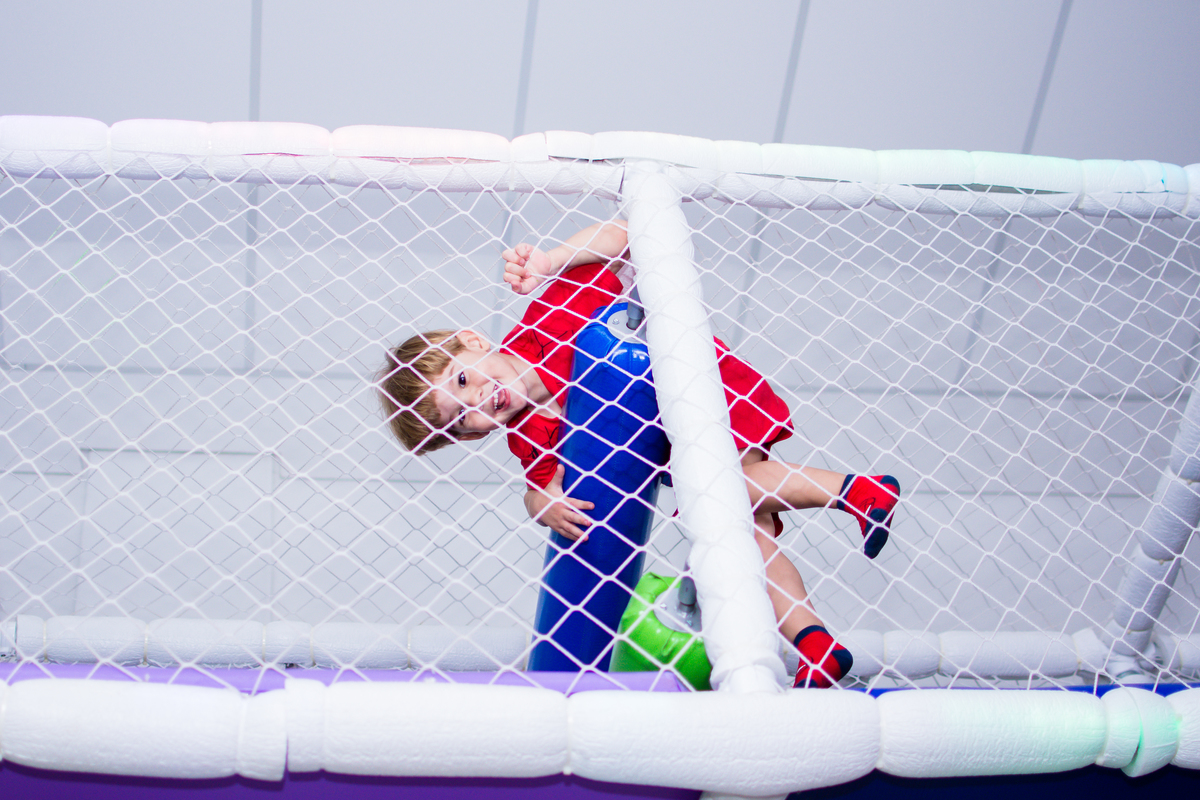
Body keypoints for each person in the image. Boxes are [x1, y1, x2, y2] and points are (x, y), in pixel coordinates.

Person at [378, 219, 900, 688]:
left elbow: (624, 235)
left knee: (714, 503)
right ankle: (815, 647)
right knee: (740, 534)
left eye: (463, 379)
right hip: (681, 449)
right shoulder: (528, 434)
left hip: (704, 394)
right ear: (472, 437)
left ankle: (853, 491)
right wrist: (544, 507)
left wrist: (550, 261)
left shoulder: (547, 318)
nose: (478, 401)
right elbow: (538, 490)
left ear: (471, 340)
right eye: (462, 417)